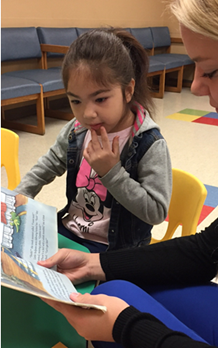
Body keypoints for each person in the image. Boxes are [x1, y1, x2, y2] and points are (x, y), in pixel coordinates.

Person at [38, 0, 218, 347]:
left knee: (109, 310)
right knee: (112, 289)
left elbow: (154, 210)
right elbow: (209, 248)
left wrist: (125, 326)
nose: (195, 87)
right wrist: (95, 263)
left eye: (210, 70)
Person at [15, 28, 172, 253]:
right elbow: (48, 164)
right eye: (76, 101)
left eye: (100, 99)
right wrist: (22, 193)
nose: (88, 114)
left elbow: (156, 212)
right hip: (69, 232)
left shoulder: (149, 144)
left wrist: (112, 173)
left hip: (116, 250)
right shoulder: (77, 130)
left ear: (128, 90)